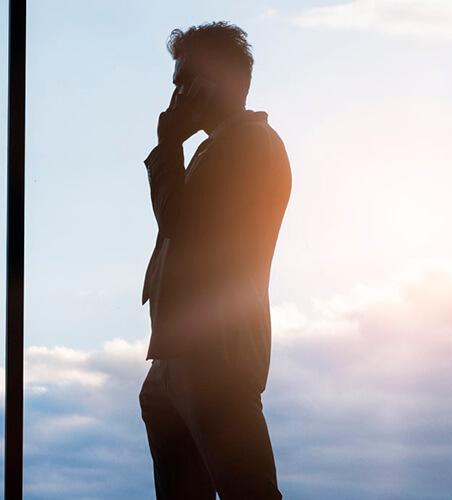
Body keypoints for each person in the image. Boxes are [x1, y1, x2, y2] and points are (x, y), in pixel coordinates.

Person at [136, 21, 292, 500]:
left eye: (185, 80)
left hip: (216, 357)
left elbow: (180, 225)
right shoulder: (221, 147)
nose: (176, 93)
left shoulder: (250, 145)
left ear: (221, 80)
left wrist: (167, 146)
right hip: (179, 360)